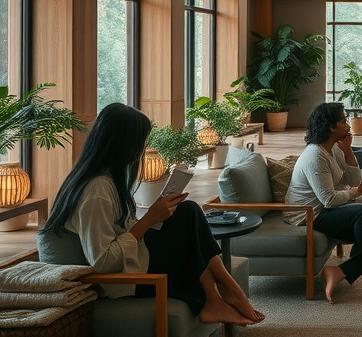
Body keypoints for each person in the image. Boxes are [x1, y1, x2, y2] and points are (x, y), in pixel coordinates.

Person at [41, 104, 263, 326]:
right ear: (124, 145)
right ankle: (227, 292)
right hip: (122, 279)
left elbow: (123, 231)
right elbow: (103, 262)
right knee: (188, 218)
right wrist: (149, 220)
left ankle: (221, 295)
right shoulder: (96, 191)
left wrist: (155, 216)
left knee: (187, 212)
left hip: (134, 261)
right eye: (140, 143)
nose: (141, 149)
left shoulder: (108, 180)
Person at [286, 102, 362, 303]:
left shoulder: (334, 149)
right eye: (343, 121)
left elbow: (354, 181)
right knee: (360, 212)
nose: (348, 125)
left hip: (323, 210)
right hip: (309, 214)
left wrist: (349, 152)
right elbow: (329, 199)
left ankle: (339, 271)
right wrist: (359, 191)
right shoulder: (315, 156)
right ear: (331, 127)